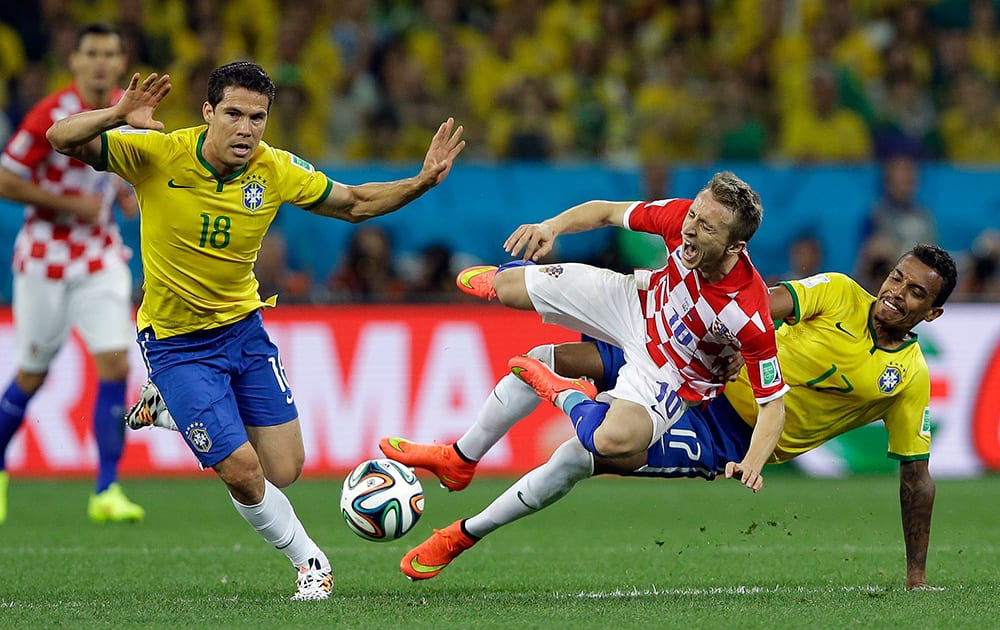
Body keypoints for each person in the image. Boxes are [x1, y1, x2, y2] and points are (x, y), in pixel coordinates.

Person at [45, 61, 464, 600]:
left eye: (258, 117)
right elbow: (60, 138)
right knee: (243, 472)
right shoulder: (157, 155)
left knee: (285, 469)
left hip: (244, 331)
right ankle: (310, 561)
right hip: (176, 345)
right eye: (235, 114)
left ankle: (168, 411)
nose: (246, 129)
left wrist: (423, 182)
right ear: (208, 113)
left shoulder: (275, 168)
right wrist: (118, 114)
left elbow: (355, 204)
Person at [381, 244, 957, 590]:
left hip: (723, 433)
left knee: (584, 454)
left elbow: (916, 477)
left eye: (915, 293)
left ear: (932, 313)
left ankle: (462, 534)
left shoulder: (907, 380)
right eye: (897, 278)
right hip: (699, 364)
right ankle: (460, 459)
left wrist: (915, 576)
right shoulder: (836, 291)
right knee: (540, 358)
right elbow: (763, 306)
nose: (896, 292)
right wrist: (727, 334)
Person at [455, 171, 787, 492]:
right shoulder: (679, 217)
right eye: (694, 216)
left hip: (671, 369)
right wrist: (550, 227)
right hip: (637, 303)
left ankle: (562, 392)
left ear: (734, 247)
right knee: (507, 287)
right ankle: (530, 277)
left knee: (609, 440)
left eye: (707, 228)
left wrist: (752, 463)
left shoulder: (747, 313)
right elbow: (606, 212)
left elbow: (773, 406)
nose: (691, 229)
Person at [0, 23, 144, 525]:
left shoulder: (129, 117)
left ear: (121, 62)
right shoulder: (51, 114)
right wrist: (66, 203)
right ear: (76, 62)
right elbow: (5, 178)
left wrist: (124, 194)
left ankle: (106, 489)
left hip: (100, 256)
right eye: (92, 53)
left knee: (115, 364)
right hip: (44, 258)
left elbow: (122, 172)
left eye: (111, 52)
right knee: (31, 375)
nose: (102, 62)